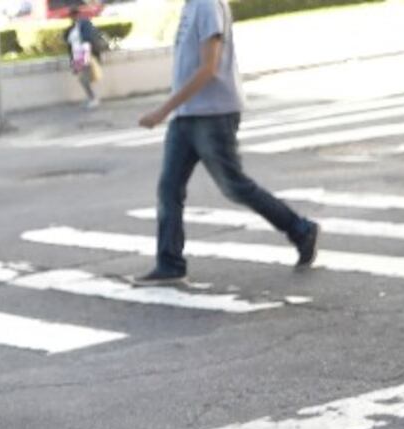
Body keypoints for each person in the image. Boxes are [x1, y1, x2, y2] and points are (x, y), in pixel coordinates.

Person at [133, 0, 320, 285]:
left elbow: (209, 66)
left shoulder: (207, 5)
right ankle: (170, 263)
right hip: (187, 116)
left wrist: (163, 110)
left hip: (213, 114)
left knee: (234, 186)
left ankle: (300, 229)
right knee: (168, 188)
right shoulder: (191, 5)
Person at [66, 2, 103, 109]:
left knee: (84, 78)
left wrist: (86, 54)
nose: (72, 17)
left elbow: (88, 38)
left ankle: (93, 98)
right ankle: (92, 97)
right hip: (78, 54)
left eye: (74, 15)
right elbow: (71, 42)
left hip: (84, 53)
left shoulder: (84, 24)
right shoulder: (74, 27)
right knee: (82, 78)